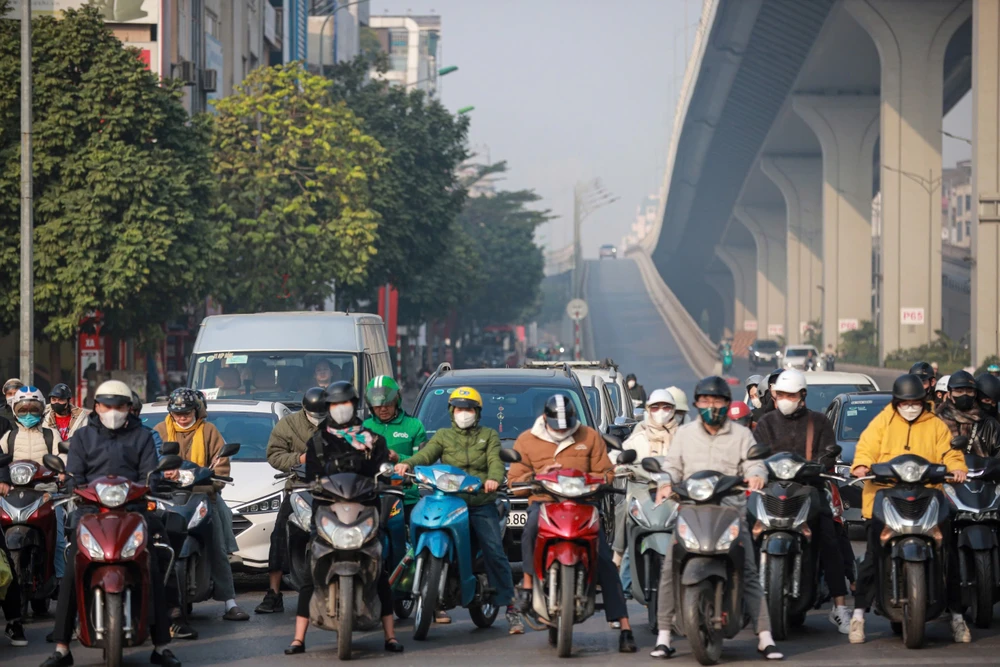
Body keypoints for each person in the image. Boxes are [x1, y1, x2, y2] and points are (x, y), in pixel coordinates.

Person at [41, 380, 180, 667]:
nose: (113, 411)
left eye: (120, 406)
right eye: (108, 405)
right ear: (97, 406)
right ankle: (62, 646)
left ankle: (162, 644)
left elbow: (150, 475)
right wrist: (72, 486)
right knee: (74, 564)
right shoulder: (82, 438)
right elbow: (74, 474)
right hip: (90, 510)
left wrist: (150, 485)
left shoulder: (142, 437)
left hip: (134, 510)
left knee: (155, 558)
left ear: (129, 408)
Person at [650, 376, 783, 660]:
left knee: (748, 569)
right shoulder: (685, 434)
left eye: (718, 401)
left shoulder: (741, 435)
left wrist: (757, 475)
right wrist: (665, 483)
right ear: (697, 404)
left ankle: (764, 635)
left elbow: (754, 461)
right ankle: (663, 635)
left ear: (726, 404)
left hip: (730, 511)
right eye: (706, 401)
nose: (712, 406)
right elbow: (672, 466)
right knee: (669, 567)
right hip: (691, 511)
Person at [508, 394, 637, 653]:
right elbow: (514, 480)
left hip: (583, 504)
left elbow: (607, 472)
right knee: (530, 528)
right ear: (545, 419)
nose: (562, 430)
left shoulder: (589, 436)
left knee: (604, 558)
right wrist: (537, 476)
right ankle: (527, 585)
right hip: (544, 502)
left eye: (567, 425)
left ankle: (624, 626)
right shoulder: (527, 439)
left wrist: (589, 478)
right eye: (557, 425)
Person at [847, 374, 968, 645]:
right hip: (885, 497)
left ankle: (958, 618)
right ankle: (858, 617)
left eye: (916, 402)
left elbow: (949, 452)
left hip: (928, 496)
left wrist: (957, 466)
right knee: (870, 559)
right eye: (905, 402)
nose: (911, 406)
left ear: (924, 401)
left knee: (948, 556)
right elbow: (865, 448)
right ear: (896, 402)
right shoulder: (881, 422)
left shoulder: (935, 425)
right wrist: (862, 466)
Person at [285, 381, 403, 655]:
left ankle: (390, 635)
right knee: (311, 570)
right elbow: (312, 475)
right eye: (335, 405)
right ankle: (298, 638)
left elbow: (382, 472)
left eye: (345, 403)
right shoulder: (317, 441)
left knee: (380, 569)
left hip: (365, 510)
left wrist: (386, 479)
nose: (341, 409)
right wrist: (311, 483)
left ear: (354, 405)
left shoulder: (373, 440)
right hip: (327, 511)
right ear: (328, 408)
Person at [393, 386, 520, 633]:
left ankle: (511, 607)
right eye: (460, 409)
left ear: (477, 412)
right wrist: (407, 464)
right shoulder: (443, 436)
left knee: (494, 551)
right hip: (450, 501)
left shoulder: (489, 435)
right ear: (452, 412)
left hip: (481, 503)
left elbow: (495, 462)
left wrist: (494, 479)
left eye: (469, 409)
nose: (465, 413)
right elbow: (427, 455)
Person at [752, 369, 851, 633]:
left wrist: (821, 463)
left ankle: (840, 607)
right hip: (771, 491)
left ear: (802, 395)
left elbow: (829, 453)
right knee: (744, 531)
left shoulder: (818, 422)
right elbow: (753, 456)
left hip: (809, 490)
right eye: (781, 394)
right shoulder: (765, 424)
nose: (786, 399)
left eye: (791, 394)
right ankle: (739, 598)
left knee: (831, 536)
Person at [153, 388, 249, 635]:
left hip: (203, 495)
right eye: (177, 413)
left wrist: (212, 481)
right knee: (153, 543)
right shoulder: (159, 431)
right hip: (166, 497)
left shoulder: (209, 431)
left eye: (187, 412)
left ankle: (230, 602)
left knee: (216, 544)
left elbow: (221, 466)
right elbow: (150, 463)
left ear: (196, 411)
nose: (182, 417)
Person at [256, 387, 325, 615]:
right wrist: (299, 459)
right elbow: (274, 454)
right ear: (305, 409)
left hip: (335, 488)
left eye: (323, 413)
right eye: (314, 413)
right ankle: (274, 593)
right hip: (299, 486)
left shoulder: (339, 424)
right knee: (278, 535)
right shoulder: (288, 424)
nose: (318, 418)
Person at [0, 387, 67, 587]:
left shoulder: (51, 434)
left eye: (34, 409)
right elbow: (1, 458)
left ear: (41, 410)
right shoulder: (9, 437)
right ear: (15, 411)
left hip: (46, 493)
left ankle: (61, 581)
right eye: (23, 410)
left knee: (60, 539)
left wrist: (62, 470)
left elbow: (61, 455)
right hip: (13, 493)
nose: (29, 414)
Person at [614, 388, 679, 589]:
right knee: (626, 516)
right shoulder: (639, 436)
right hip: (642, 491)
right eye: (656, 407)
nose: (661, 411)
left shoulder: (683, 436)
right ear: (648, 410)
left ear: (674, 410)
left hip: (674, 495)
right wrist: (616, 465)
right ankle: (623, 585)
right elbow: (621, 455)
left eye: (666, 407)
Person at [363, 376, 427, 525]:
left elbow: (423, 461)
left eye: (388, 404)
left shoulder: (414, 426)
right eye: (378, 405)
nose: (383, 409)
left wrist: (399, 458)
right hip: (373, 497)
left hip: (407, 497)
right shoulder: (364, 427)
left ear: (397, 401)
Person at [935, 371, 1000, 458]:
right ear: (949, 394)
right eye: (959, 391)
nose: (964, 395)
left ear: (975, 394)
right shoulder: (936, 420)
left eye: (969, 391)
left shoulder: (989, 424)